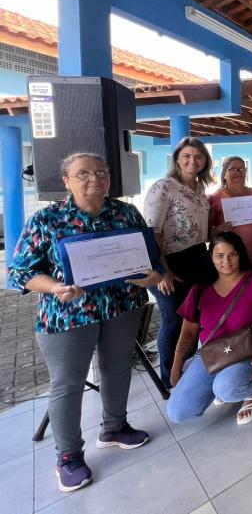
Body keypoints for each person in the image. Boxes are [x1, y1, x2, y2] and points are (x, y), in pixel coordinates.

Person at [8, 153, 162, 492]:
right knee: (68, 383)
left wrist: (152, 275)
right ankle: (68, 456)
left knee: (118, 368)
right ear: (66, 180)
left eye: (101, 172)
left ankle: (115, 428)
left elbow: (149, 259)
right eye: (83, 173)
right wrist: (54, 286)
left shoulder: (125, 213)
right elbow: (20, 272)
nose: (94, 178)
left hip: (121, 307)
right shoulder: (47, 219)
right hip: (69, 314)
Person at [167, 233, 252, 425]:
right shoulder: (199, 291)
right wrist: (176, 365)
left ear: (241, 255)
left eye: (233, 254)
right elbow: (188, 333)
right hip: (213, 354)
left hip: (251, 350)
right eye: (219, 255)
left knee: (226, 389)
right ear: (211, 257)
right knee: (177, 411)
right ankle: (224, 381)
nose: (226, 261)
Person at [144, 136, 213, 388]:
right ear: (177, 159)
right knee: (173, 320)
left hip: (197, 257)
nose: (192, 160)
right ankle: (168, 379)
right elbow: (153, 232)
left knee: (192, 317)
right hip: (168, 262)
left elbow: (196, 231)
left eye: (198, 156)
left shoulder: (199, 191)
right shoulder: (164, 187)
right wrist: (162, 272)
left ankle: (185, 370)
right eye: (186, 156)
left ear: (205, 161)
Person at [208, 156, 252, 270]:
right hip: (229, 263)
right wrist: (218, 230)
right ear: (224, 174)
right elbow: (206, 234)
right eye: (233, 169)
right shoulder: (214, 199)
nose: (238, 172)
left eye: (242, 169)